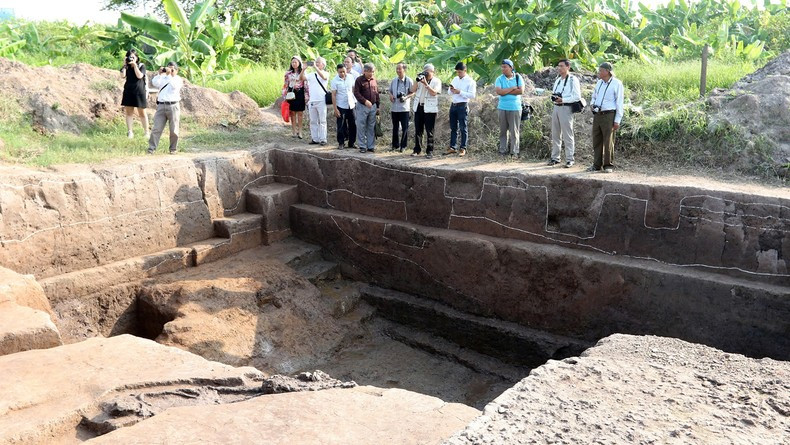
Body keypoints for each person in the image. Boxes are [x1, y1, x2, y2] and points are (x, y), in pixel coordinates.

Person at [587, 62, 624, 173]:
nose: (599, 72)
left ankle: (608, 165)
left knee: (608, 141)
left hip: (609, 115)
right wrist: (592, 105)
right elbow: (594, 96)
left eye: (600, 70)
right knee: (597, 139)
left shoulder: (617, 84)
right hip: (598, 114)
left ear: (607, 71)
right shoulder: (599, 83)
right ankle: (596, 164)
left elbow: (619, 103)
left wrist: (617, 120)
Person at [548, 59, 582, 168]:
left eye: (562, 66)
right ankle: (555, 158)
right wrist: (556, 99)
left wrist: (563, 100)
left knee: (568, 134)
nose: (559, 68)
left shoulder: (573, 79)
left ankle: (569, 159)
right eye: (558, 66)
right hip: (556, 107)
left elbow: (577, 96)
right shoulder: (558, 80)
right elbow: (554, 94)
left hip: (566, 108)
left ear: (568, 67)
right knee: (555, 134)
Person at [147, 61, 183, 155]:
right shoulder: (163, 77)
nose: (170, 71)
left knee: (174, 130)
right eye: (169, 68)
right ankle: (151, 149)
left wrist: (169, 75)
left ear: (177, 70)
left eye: (172, 69)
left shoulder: (178, 79)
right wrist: (159, 74)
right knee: (156, 128)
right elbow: (154, 82)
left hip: (173, 106)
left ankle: (173, 149)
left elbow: (174, 87)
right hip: (161, 105)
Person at [410, 63, 441, 159]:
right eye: (425, 72)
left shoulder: (436, 81)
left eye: (428, 72)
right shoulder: (420, 80)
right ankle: (417, 149)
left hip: (430, 109)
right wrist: (417, 80)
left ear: (432, 72)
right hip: (419, 107)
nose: (426, 74)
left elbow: (434, 93)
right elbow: (412, 89)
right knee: (418, 130)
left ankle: (429, 151)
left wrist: (426, 84)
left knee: (429, 131)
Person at [494, 59, 524, 158]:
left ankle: (514, 152)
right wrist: (512, 88)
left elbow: (520, 91)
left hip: (515, 108)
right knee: (503, 131)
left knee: (514, 131)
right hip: (502, 108)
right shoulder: (499, 79)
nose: (503, 69)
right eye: (502, 67)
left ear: (511, 68)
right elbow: (499, 92)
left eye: (505, 67)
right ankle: (503, 150)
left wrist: (505, 91)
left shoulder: (518, 77)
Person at [446, 61, 476, 157]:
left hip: (462, 105)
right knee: (453, 127)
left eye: (460, 72)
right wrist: (451, 90)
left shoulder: (470, 81)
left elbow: (472, 95)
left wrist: (460, 92)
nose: (458, 74)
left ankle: (463, 148)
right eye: (457, 72)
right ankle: (452, 147)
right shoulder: (455, 79)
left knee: (463, 127)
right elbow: (449, 92)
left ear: (465, 71)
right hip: (454, 104)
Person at [120, 49, 149, 139]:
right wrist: (125, 65)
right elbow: (122, 76)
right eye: (130, 57)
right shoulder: (126, 67)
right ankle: (130, 132)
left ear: (137, 57)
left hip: (139, 92)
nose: (131, 59)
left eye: (133, 57)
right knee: (129, 112)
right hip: (129, 91)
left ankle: (146, 132)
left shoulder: (141, 66)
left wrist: (135, 65)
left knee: (142, 113)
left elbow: (140, 76)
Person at [353, 63, 380, 153]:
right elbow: (356, 93)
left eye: (373, 72)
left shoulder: (374, 80)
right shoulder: (359, 80)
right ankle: (362, 146)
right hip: (362, 106)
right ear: (365, 71)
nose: (371, 74)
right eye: (370, 72)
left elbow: (376, 93)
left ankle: (370, 146)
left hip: (373, 106)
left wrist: (378, 106)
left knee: (371, 126)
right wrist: (365, 101)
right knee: (361, 126)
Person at [388, 62, 414, 152]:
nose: (398, 71)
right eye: (397, 69)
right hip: (394, 107)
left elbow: (413, 92)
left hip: (404, 108)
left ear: (404, 69)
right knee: (395, 127)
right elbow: (390, 91)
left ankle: (403, 146)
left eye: (400, 69)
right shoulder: (394, 80)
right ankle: (395, 145)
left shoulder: (409, 80)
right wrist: (391, 96)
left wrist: (406, 97)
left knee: (404, 127)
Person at [331, 63, 357, 150]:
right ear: (337, 71)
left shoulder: (350, 77)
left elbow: (353, 89)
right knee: (341, 125)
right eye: (340, 72)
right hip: (341, 105)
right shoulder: (334, 80)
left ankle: (352, 142)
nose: (342, 73)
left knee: (353, 124)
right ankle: (341, 143)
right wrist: (335, 109)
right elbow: (333, 95)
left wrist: (355, 101)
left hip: (351, 104)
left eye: (344, 71)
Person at [305, 57, 329, 146]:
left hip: (321, 100)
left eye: (319, 62)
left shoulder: (326, 73)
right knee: (313, 121)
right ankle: (315, 138)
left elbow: (324, 77)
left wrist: (315, 67)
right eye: (316, 62)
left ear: (323, 65)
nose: (317, 64)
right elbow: (302, 78)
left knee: (322, 120)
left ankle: (323, 139)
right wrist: (303, 69)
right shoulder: (311, 74)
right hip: (312, 100)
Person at [282, 56, 307, 139]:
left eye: (296, 62)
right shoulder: (288, 73)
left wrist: (307, 95)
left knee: (300, 113)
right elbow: (285, 84)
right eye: (292, 62)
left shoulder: (302, 72)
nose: (294, 64)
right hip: (291, 93)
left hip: (300, 93)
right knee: (292, 113)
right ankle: (293, 131)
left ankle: (300, 131)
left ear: (299, 63)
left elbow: (306, 84)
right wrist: (284, 95)